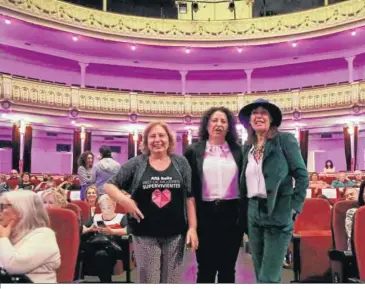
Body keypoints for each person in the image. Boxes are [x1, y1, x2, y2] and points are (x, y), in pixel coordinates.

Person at [104, 121, 198, 283]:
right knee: (149, 281)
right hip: (145, 233)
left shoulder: (181, 163)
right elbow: (109, 185)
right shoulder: (137, 163)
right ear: (146, 141)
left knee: (172, 281)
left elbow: (190, 197)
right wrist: (125, 201)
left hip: (176, 234)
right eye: (152, 136)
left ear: (169, 139)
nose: (157, 140)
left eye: (161, 135)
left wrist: (192, 228)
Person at [238, 98, 309, 283]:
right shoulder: (248, 147)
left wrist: (294, 207)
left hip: (279, 211)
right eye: (254, 113)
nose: (258, 116)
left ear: (271, 119)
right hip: (253, 213)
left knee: (268, 277)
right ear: (249, 120)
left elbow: (302, 175)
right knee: (260, 271)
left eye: (263, 113)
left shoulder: (284, 140)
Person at [184, 107, 243, 283]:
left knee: (227, 268)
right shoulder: (193, 151)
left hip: (232, 214)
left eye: (223, 121)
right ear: (207, 124)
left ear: (229, 127)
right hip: (204, 214)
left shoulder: (239, 151)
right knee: (206, 268)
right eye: (214, 120)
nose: (219, 124)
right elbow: (188, 188)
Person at [0, 190, 61, 283]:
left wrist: (3, 238)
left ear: (21, 211)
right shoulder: (10, 233)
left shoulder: (44, 236)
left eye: (3, 207)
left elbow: (12, 266)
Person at [81, 194, 129, 283]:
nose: (106, 211)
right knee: (97, 253)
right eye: (103, 208)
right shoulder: (96, 217)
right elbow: (81, 229)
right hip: (95, 245)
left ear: (114, 206)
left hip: (114, 247)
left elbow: (128, 230)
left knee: (102, 255)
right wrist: (89, 229)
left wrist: (112, 231)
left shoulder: (121, 217)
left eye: (109, 207)